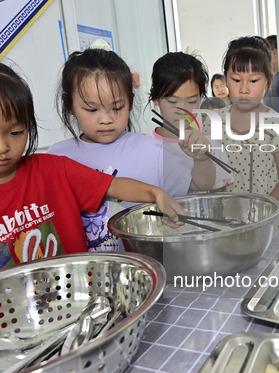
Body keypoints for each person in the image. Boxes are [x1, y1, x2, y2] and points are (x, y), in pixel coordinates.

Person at [0, 58, 185, 300]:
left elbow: (113, 186)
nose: (1, 146)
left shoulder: (52, 169)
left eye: (15, 132)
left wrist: (153, 193)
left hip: (81, 307)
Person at [47, 43, 212, 251]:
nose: (106, 119)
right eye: (91, 109)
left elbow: (200, 185)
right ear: (69, 104)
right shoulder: (56, 158)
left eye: (117, 107)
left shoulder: (154, 152)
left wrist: (201, 159)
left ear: (131, 102)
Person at [213, 36, 279, 231]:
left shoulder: (278, 125)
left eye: (253, 81)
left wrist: (259, 214)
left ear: (268, 82)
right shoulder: (214, 122)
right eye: (236, 80)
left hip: (270, 224)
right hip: (229, 225)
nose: (244, 89)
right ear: (225, 79)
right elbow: (214, 177)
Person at [149, 52, 234, 192]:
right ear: (156, 98)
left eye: (192, 101)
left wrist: (203, 158)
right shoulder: (143, 146)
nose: (183, 110)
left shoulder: (211, 145)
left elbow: (218, 201)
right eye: (173, 101)